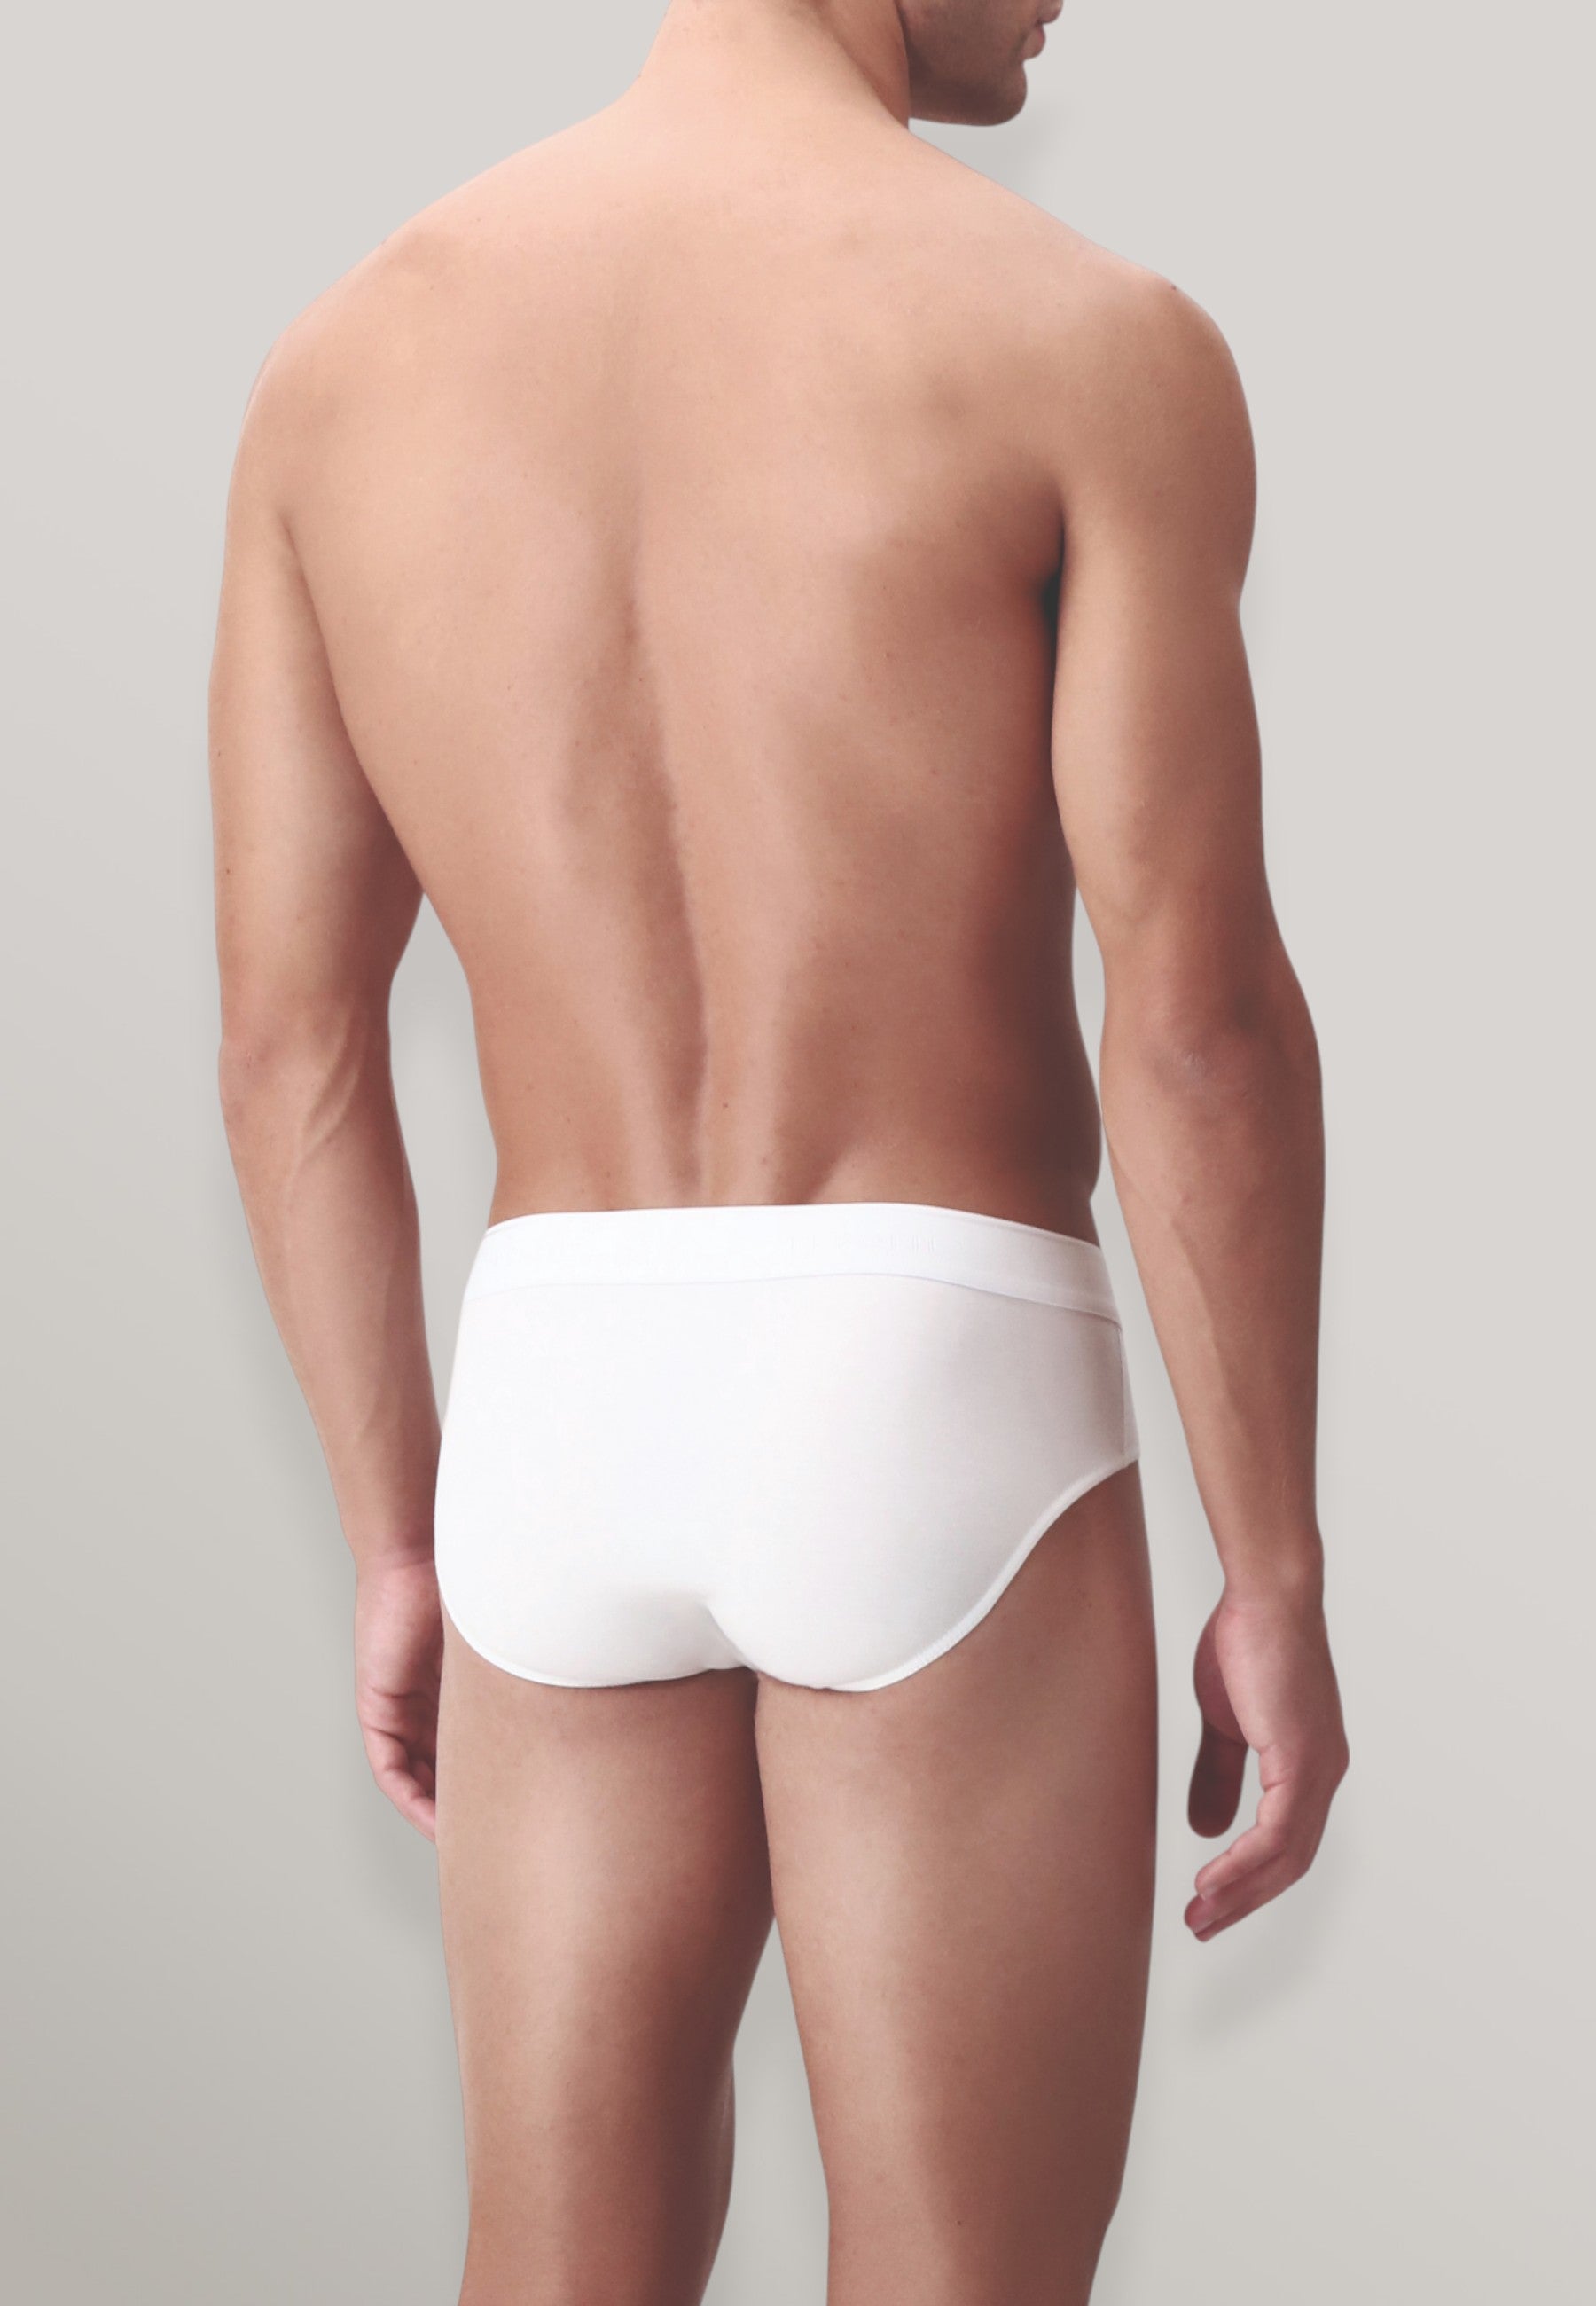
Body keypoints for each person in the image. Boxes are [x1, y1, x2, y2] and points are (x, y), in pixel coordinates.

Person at [210, 2, 1349, 2298]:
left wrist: (398, 1533)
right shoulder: (1082, 344)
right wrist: (1276, 1568)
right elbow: (1199, 1027)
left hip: (554, 1391)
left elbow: (292, 1040)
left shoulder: (341, 371)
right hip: (928, 1361)